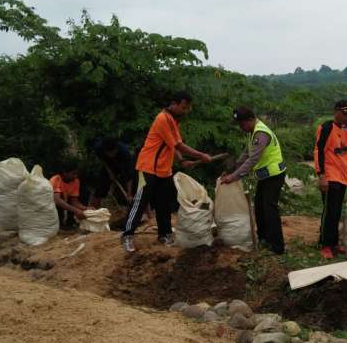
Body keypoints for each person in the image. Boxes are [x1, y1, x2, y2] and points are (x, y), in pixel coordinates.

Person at [121, 91, 212, 252]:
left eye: (188, 108)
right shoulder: (163, 119)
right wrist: (201, 155)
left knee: (164, 203)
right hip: (147, 167)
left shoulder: (173, 121)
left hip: (164, 170)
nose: (185, 111)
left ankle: (165, 234)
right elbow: (179, 146)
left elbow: (173, 144)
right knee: (140, 201)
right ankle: (127, 235)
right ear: (174, 104)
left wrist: (182, 160)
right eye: (184, 107)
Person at [221, 107, 287, 255]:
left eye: (242, 124)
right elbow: (246, 153)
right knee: (259, 208)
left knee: (270, 210)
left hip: (274, 176)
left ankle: (277, 247)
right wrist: (232, 170)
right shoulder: (253, 132)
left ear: (251, 120)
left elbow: (252, 159)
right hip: (265, 176)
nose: (241, 127)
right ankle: (264, 239)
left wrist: (233, 177)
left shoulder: (261, 134)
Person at [314, 100, 347, 259]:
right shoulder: (326, 128)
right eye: (344, 113)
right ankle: (325, 244)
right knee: (330, 211)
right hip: (330, 175)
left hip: (343, 177)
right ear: (336, 111)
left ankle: (333, 243)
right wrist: (321, 175)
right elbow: (319, 151)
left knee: (336, 212)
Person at [87, 137, 136, 208]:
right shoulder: (99, 147)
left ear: (116, 149)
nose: (111, 155)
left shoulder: (124, 152)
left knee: (129, 186)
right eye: (108, 153)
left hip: (122, 164)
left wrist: (128, 194)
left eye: (112, 153)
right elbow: (102, 159)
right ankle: (94, 210)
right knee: (101, 186)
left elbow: (129, 175)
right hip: (109, 165)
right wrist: (109, 171)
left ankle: (130, 204)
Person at [50, 162, 87, 227]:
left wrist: (86, 208)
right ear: (64, 173)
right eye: (73, 174)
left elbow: (74, 201)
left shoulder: (76, 181)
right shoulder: (56, 179)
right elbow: (57, 200)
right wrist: (76, 210)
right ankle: (59, 223)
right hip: (51, 204)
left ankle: (70, 222)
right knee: (59, 199)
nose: (75, 176)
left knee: (85, 192)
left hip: (64, 200)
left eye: (76, 174)